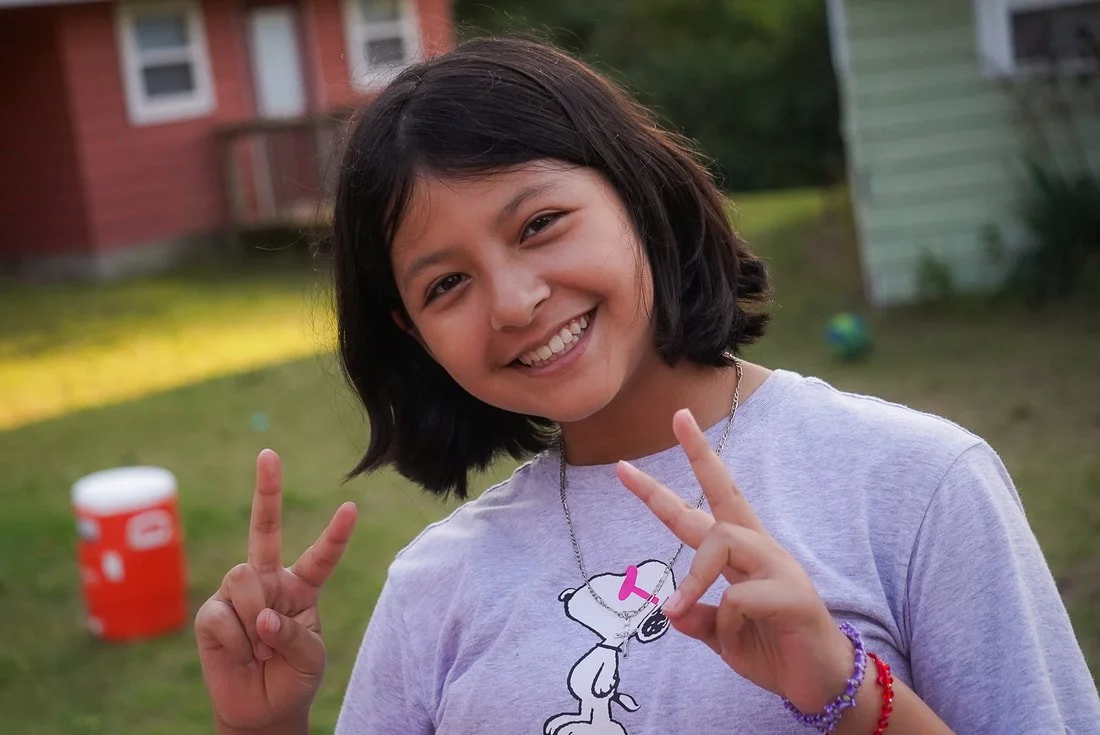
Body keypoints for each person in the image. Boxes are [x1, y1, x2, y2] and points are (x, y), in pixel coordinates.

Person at [194, 38, 1100, 734]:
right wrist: (267, 726)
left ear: (635, 192)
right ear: (413, 333)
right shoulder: (437, 585)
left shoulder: (917, 484)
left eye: (541, 223)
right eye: (446, 284)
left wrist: (849, 689)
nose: (515, 302)